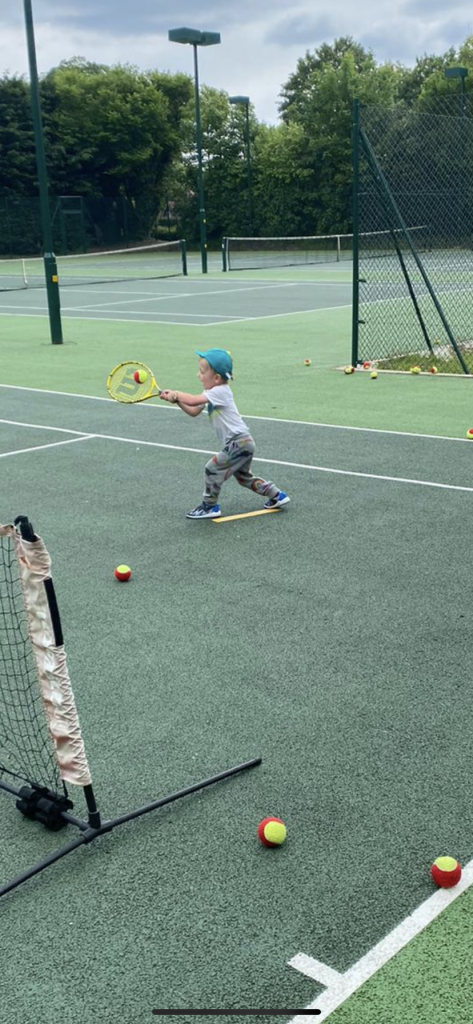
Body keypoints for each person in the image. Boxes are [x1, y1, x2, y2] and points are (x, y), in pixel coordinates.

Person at [159, 348, 290, 519]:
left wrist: (176, 394)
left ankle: (209, 506)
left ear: (216, 378)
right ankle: (276, 495)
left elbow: (192, 399)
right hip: (242, 443)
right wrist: (176, 400)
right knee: (243, 478)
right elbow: (193, 410)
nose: (198, 375)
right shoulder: (211, 394)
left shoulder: (221, 391)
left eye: (202, 371)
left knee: (212, 468)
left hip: (239, 442)